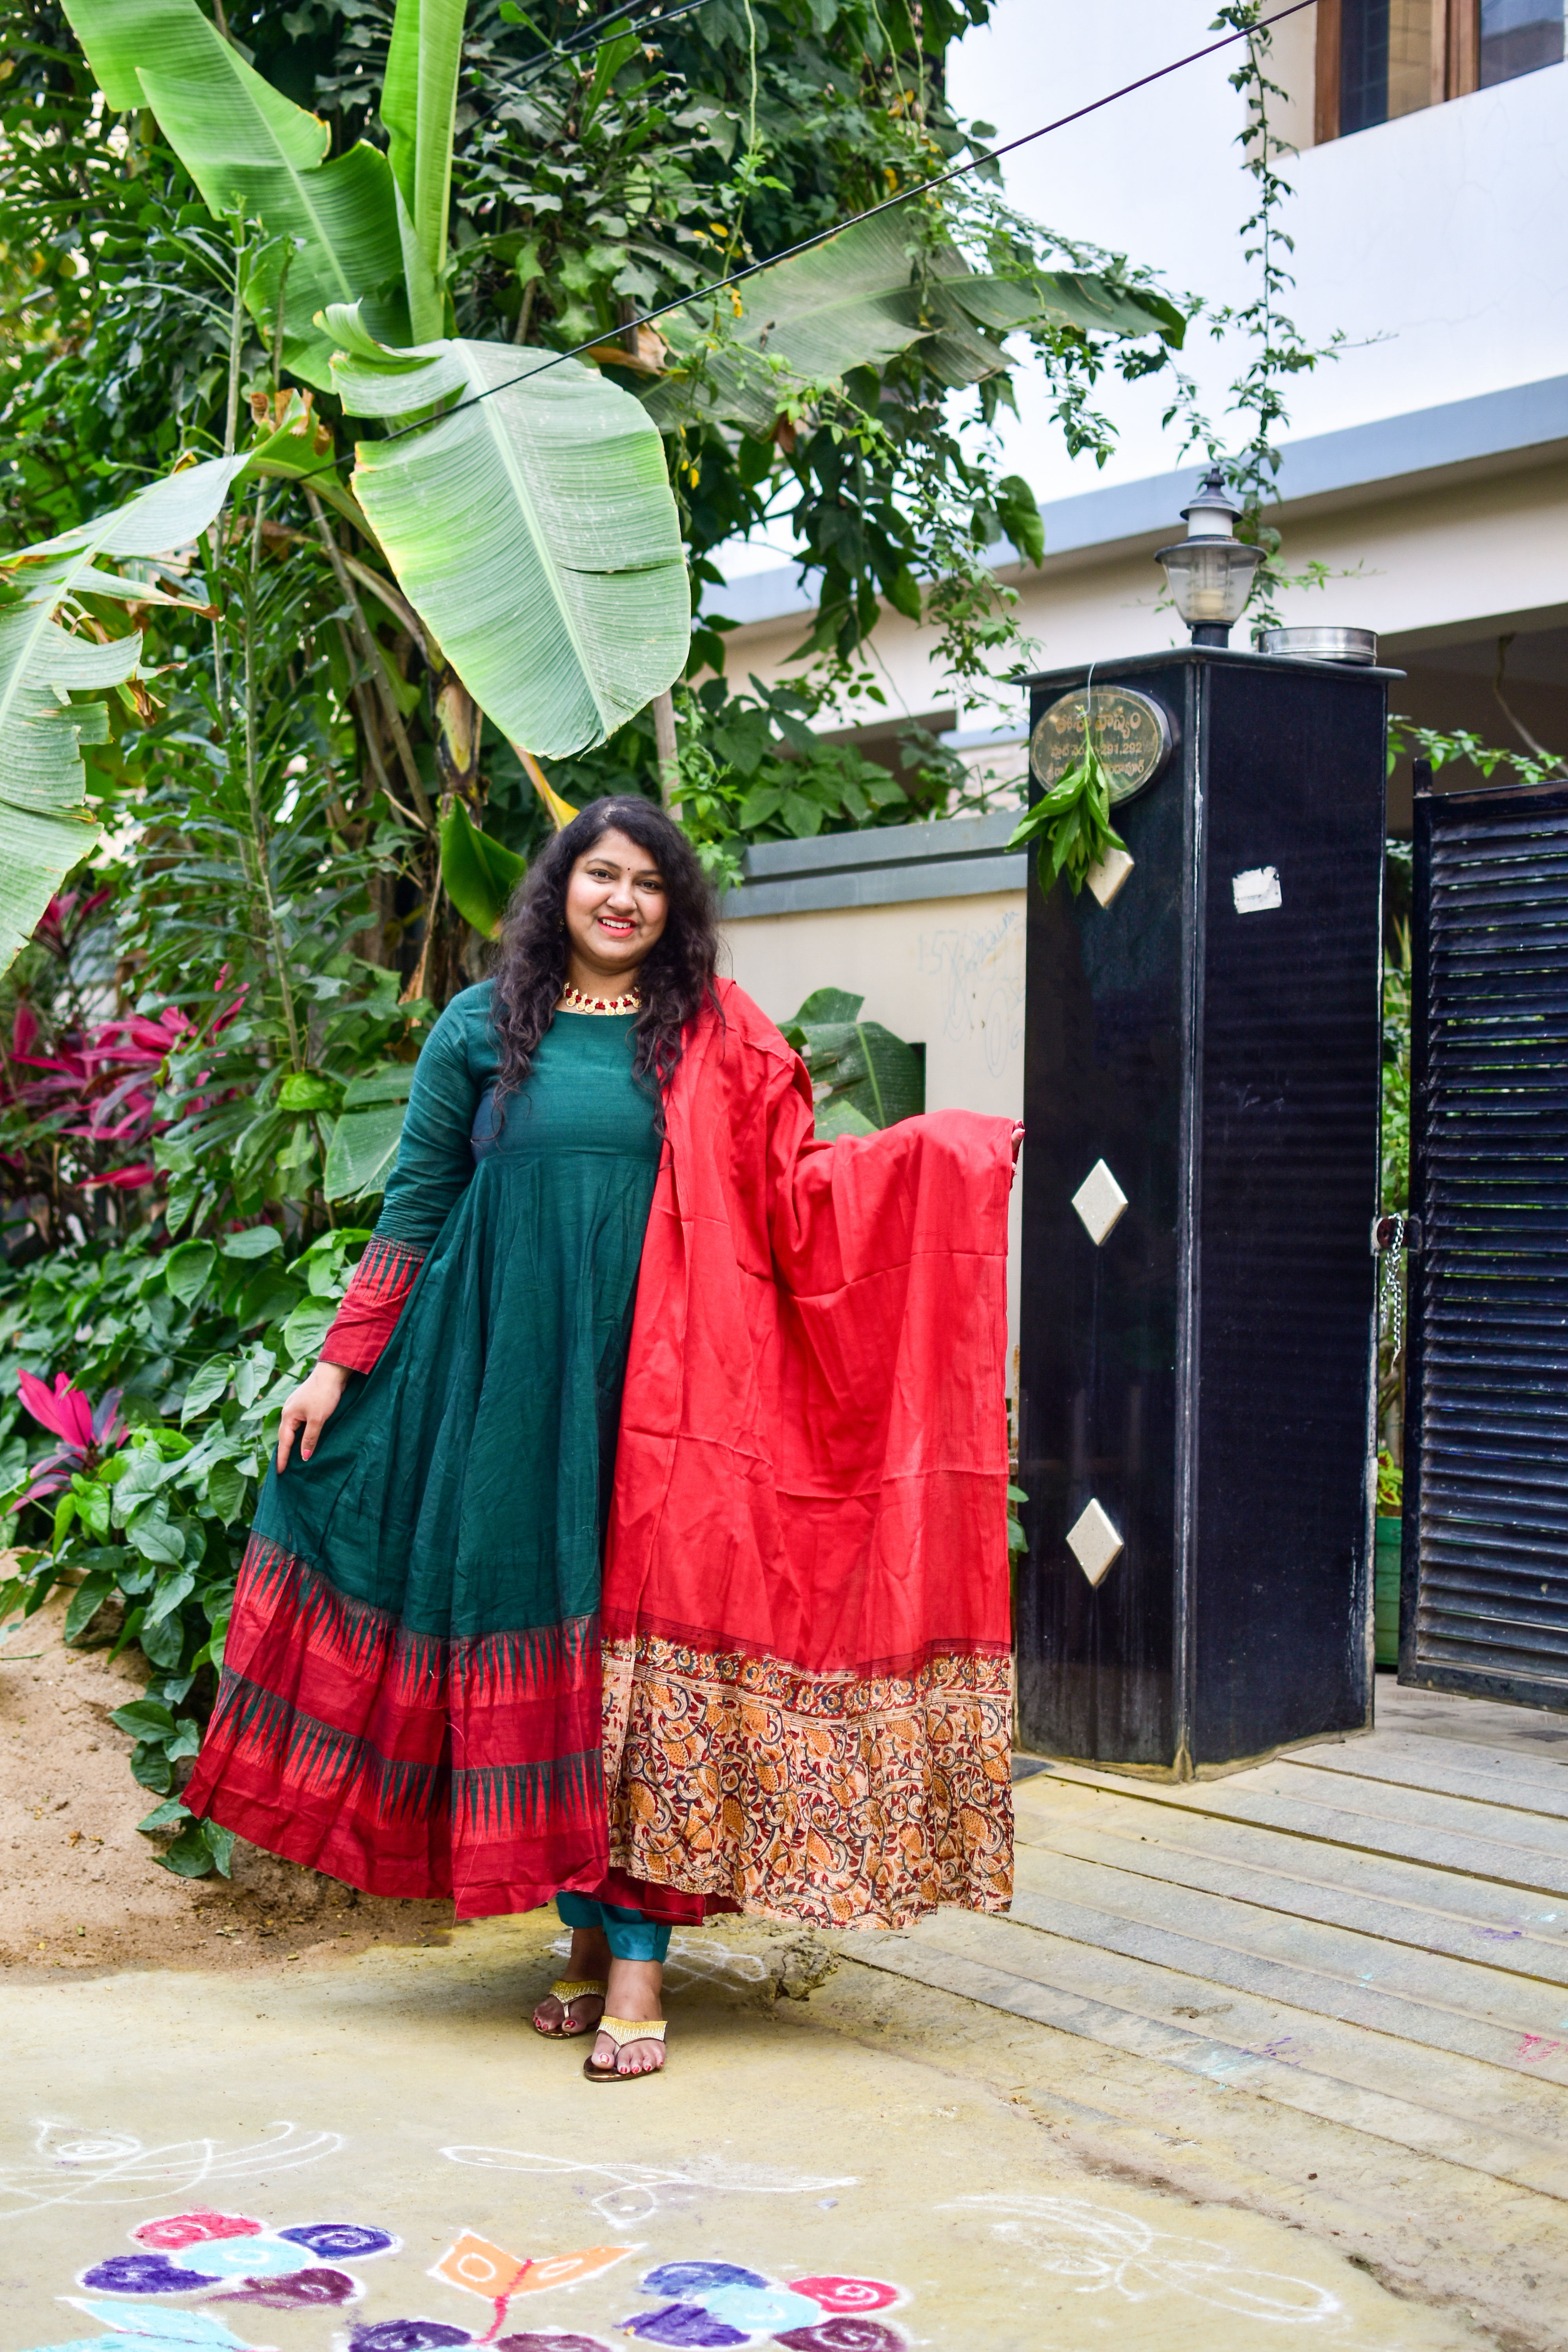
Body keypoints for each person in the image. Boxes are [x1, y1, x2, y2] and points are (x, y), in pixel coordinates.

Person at [184, 797, 1022, 2083]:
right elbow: (417, 1203)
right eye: (601, 875)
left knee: (645, 1662)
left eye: (649, 883)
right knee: (561, 1658)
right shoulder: (482, 1028)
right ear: (560, 888)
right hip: (507, 1383)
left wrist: (947, 1154)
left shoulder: (715, 1033)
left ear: (676, 908)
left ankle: (638, 1964)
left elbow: (797, 1189)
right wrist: (338, 1363)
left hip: (672, 1395)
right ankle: (583, 1934)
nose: (622, 900)